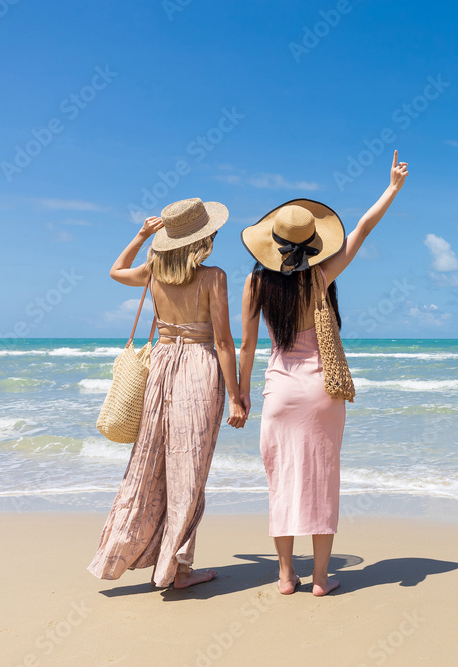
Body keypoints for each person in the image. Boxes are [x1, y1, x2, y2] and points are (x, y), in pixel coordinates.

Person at [238, 151, 409, 596]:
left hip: (279, 391)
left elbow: (248, 346)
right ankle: (318, 579)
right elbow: (363, 230)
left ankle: (283, 575)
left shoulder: (255, 284)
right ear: (311, 243)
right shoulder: (320, 278)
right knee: (321, 480)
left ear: (272, 243)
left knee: (282, 483)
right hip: (321, 391)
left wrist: (240, 395)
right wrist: (391, 188)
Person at [88, 197, 247, 589]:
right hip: (198, 367)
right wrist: (239, 395)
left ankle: (143, 554)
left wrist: (142, 235)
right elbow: (224, 343)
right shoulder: (214, 277)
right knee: (190, 470)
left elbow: (115, 271)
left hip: (161, 367)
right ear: (203, 237)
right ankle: (179, 568)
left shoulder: (154, 270)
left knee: (153, 462)